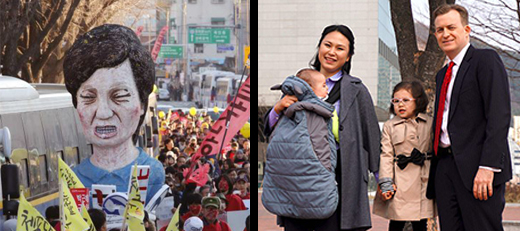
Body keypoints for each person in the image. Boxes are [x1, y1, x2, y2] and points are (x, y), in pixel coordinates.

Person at [263, 24, 381, 230]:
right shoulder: (299, 84)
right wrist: (277, 109)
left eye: (340, 48)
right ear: (319, 47)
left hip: (343, 178)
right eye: (328, 45)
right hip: (301, 178)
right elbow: (273, 130)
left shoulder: (356, 90)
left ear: (348, 56)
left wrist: (382, 178)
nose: (332, 52)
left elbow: (372, 137)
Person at [426, 4, 512, 231]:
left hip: (478, 168)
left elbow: (499, 115)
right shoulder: (442, 74)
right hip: (445, 168)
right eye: (440, 30)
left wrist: (488, 166)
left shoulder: (485, 60)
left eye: (451, 27)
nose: (445, 34)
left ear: (467, 30)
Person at [63, 24, 165, 203]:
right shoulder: (74, 179)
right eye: (88, 97)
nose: (103, 113)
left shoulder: (152, 173)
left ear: (141, 104)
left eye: (118, 96)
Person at [372, 82, 435, 231]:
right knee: (396, 221)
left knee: (421, 223)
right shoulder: (390, 126)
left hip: (423, 179)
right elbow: (386, 155)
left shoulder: (429, 123)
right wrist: (386, 181)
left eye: (406, 100)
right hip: (399, 181)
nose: (400, 105)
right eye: (396, 101)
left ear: (418, 101)